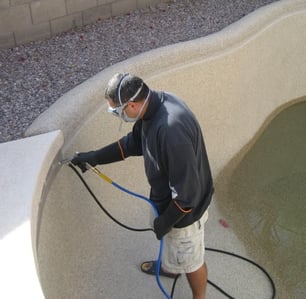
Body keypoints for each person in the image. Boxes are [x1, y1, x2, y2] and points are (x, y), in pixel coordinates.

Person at [71, 73, 214, 299]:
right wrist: (94, 157)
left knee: (191, 261)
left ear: (132, 104)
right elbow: (133, 144)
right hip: (169, 200)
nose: (118, 116)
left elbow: (187, 196)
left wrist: (164, 222)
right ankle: (170, 267)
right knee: (174, 249)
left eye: (117, 112)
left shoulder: (170, 131)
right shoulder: (154, 106)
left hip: (185, 214)